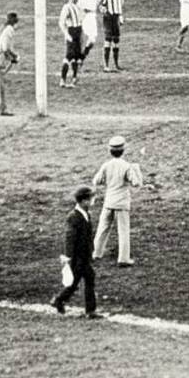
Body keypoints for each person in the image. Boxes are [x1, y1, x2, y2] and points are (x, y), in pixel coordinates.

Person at [92, 135, 144, 267]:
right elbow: (136, 183)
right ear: (123, 151)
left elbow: (96, 181)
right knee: (123, 230)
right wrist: (137, 169)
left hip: (109, 201)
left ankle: (96, 253)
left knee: (102, 228)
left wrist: (107, 181)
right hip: (121, 202)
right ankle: (123, 258)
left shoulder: (106, 165)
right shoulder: (127, 166)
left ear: (110, 151)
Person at [50, 185, 100, 318]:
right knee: (79, 281)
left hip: (83, 257)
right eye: (91, 198)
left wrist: (91, 252)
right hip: (78, 258)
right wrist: (68, 256)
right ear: (84, 201)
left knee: (81, 280)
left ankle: (60, 300)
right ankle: (89, 310)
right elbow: (69, 238)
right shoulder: (74, 217)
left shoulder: (85, 214)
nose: (93, 201)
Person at [61, 0, 107, 66]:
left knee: (92, 40)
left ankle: (82, 56)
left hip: (92, 16)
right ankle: (75, 57)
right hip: (82, 16)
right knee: (79, 38)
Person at [0, 12, 20, 116]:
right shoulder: (9, 30)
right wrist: (14, 57)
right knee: (1, 85)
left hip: (0, 59)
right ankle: (1, 108)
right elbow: (5, 49)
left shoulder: (8, 30)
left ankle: (0, 106)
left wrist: (12, 58)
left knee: (2, 84)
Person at [98, 0, 125, 71]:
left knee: (116, 40)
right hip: (108, 17)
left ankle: (117, 64)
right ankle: (106, 65)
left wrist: (121, 17)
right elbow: (100, 4)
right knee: (108, 39)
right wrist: (103, 10)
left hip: (116, 17)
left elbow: (120, 6)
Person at [58, 0, 84, 88]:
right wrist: (66, 34)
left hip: (78, 31)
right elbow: (61, 22)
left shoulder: (78, 7)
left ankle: (74, 78)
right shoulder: (66, 7)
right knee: (69, 55)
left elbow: (81, 19)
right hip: (71, 31)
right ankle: (62, 79)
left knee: (76, 56)